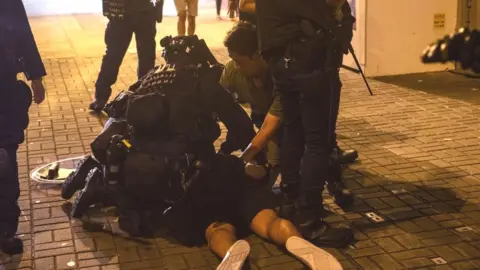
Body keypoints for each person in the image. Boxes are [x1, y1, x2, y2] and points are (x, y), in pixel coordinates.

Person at [255, 0, 357, 245]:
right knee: (316, 142)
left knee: (293, 131)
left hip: (280, 59)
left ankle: (290, 203)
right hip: (308, 61)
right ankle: (310, 220)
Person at [221, 23, 358, 187]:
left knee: (300, 154)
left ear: (257, 55)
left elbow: (269, 127)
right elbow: (219, 101)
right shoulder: (233, 71)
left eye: (239, 61)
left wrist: (242, 159)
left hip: (293, 123)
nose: (235, 66)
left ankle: (333, 180)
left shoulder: (281, 76)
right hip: (262, 118)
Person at [0, 0, 47, 255]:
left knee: (5, 159)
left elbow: (21, 31)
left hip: (4, 87)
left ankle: (6, 229)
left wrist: (36, 76)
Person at [89, 0, 160, 112]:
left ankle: (144, 95)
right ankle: (100, 97)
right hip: (120, 13)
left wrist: (159, 6)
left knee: (146, 57)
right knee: (113, 56)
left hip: (143, 12)